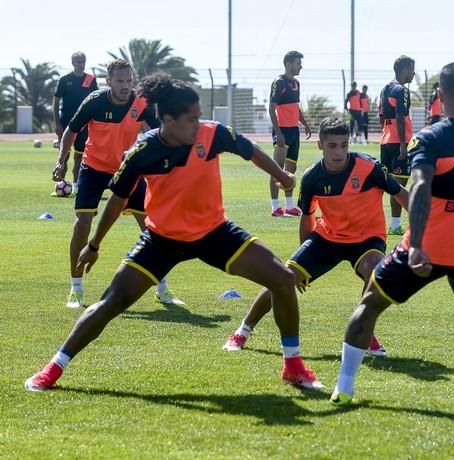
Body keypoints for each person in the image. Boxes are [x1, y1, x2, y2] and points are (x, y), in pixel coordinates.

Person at [25, 74, 321, 392]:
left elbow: (249, 150)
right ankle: (53, 369)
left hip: (214, 232)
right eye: (191, 119)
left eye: (198, 117)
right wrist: (95, 244)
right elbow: (117, 201)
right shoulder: (143, 151)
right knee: (111, 302)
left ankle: (293, 365)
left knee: (282, 278)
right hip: (161, 239)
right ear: (167, 120)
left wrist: (282, 176)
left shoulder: (212, 134)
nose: (199, 124)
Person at [330, 62, 454, 406]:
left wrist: (418, 245)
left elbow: (420, 186)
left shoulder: (431, 138)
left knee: (371, 303)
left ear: (439, 94)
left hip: (427, 246)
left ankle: (344, 388)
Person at [224, 116, 408, 356]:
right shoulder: (312, 177)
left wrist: (423, 226)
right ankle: (242, 330)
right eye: (332, 146)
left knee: (374, 269)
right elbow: (307, 217)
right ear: (320, 145)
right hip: (327, 238)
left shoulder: (370, 167)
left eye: (344, 145)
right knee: (284, 276)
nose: (339, 152)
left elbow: (401, 194)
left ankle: (364, 332)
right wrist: (304, 261)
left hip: (366, 238)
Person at [52, 59, 183, 309]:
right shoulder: (94, 102)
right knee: (82, 225)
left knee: (151, 228)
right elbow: (71, 130)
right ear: (108, 82)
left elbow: (161, 133)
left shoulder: (141, 102)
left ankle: (162, 288)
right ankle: (76, 289)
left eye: (129, 81)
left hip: (128, 169)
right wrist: (62, 160)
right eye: (120, 81)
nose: (125, 86)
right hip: (93, 168)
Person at [268, 50, 312, 217]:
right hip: (283, 131)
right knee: (276, 169)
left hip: (294, 131)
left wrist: (305, 124)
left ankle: (290, 206)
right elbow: (271, 108)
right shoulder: (278, 82)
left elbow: (296, 107)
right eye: (298, 63)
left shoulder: (296, 83)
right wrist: (278, 132)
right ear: (288, 64)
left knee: (290, 169)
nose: (300, 66)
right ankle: (275, 207)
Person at [379, 55, 415, 235]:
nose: (414, 73)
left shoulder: (385, 89)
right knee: (399, 186)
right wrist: (402, 144)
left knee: (385, 184)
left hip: (385, 141)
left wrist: (388, 133)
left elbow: (381, 116)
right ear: (406, 69)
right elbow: (400, 116)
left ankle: (380, 223)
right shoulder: (402, 90)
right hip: (400, 142)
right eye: (412, 69)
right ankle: (394, 226)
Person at [52, 51, 98, 188]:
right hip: (66, 122)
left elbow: (95, 99)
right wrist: (57, 122)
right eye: (78, 61)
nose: (81, 64)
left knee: (79, 156)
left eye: (83, 61)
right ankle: (61, 184)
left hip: (84, 123)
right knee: (64, 155)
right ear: (72, 63)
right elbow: (55, 103)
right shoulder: (64, 80)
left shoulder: (90, 79)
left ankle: (76, 186)